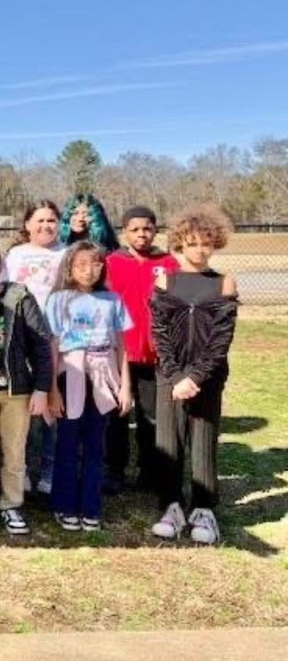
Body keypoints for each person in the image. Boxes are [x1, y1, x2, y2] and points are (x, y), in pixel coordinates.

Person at [150, 204, 238, 545]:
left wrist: (197, 377)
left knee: (203, 442)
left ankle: (204, 510)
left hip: (207, 377)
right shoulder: (165, 279)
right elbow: (160, 332)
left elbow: (221, 339)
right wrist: (174, 377)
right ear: (179, 243)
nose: (200, 249)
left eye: (206, 243)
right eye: (192, 242)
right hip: (170, 376)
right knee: (169, 443)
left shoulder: (224, 282)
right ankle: (170, 506)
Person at [44, 241, 133, 532]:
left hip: (103, 375)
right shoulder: (58, 299)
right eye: (81, 264)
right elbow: (53, 346)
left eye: (95, 264)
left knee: (96, 444)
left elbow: (122, 346)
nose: (88, 270)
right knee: (68, 443)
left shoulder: (112, 300)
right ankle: (64, 504)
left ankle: (91, 506)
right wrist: (52, 391)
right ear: (69, 267)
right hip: (70, 374)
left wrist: (125, 387)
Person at [0, 242, 53, 536]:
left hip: (17, 390)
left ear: (0, 267)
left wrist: (42, 388)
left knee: (14, 451)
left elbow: (41, 343)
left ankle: (12, 505)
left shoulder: (19, 296)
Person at [104, 206, 179, 493]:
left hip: (153, 354)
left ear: (155, 230)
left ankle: (149, 470)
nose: (141, 234)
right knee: (117, 414)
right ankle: (115, 470)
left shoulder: (168, 263)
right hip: (119, 353)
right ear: (124, 232)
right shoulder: (112, 262)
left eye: (147, 228)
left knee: (150, 416)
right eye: (134, 229)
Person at [3, 199, 66, 495]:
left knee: (53, 407)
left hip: (58, 338)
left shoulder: (66, 254)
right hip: (22, 337)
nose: (45, 226)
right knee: (26, 407)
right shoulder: (15, 255)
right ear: (27, 224)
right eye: (39, 220)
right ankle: (24, 468)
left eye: (51, 220)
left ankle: (51, 470)